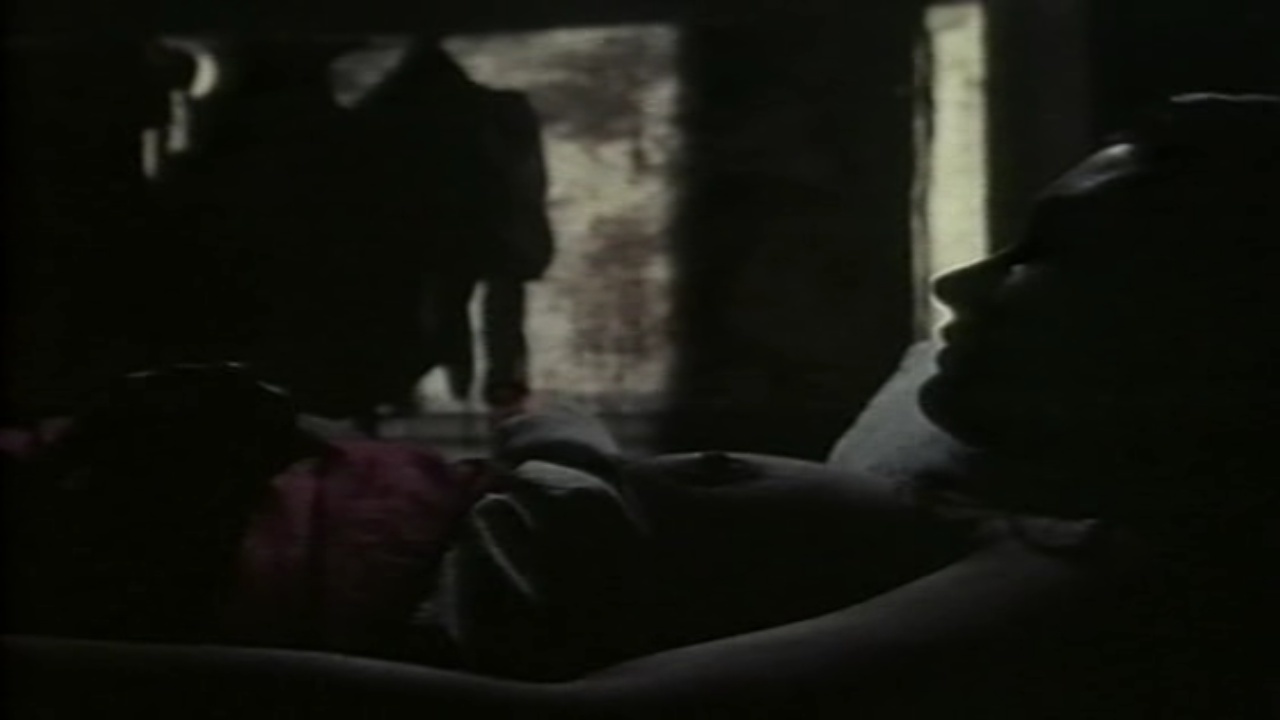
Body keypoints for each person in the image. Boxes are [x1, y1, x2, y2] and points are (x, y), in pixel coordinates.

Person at [9, 94, 1280, 719]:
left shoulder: (1084, 578)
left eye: (1048, 253)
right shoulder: (995, 513)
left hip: (303, 582)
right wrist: (529, 438)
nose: (960, 284)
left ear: (1206, 336)